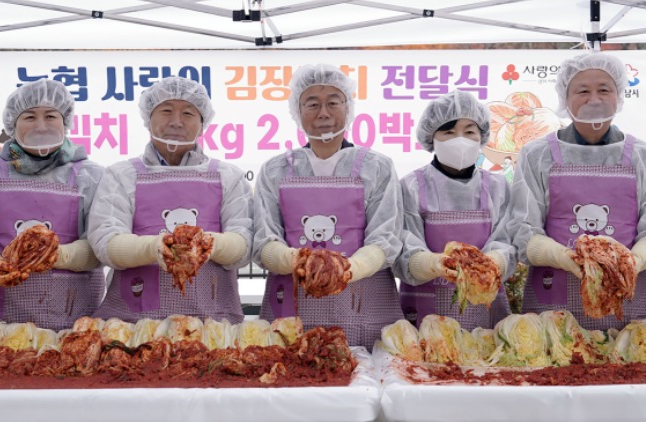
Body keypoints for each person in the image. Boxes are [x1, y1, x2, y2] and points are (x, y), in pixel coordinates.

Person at [508, 52, 646, 330]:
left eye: (604, 90)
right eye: (583, 91)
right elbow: (524, 230)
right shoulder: (537, 155)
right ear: (565, 97)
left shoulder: (644, 157)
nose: (594, 100)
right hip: (554, 305)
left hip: (630, 304)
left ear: (619, 95)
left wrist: (635, 260)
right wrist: (563, 257)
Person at [253, 63, 404, 348]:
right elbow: (264, 240)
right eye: (312, 104)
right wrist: (298, 262)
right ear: (298, 112)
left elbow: (386, 239)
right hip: (292, 309)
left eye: (333, 102)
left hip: (364, 306)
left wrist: (348, 269)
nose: (323, 113)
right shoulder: (275, 170)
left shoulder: (377, 167)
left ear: (349, 108)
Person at [88, 77, 252, 324]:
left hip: (213, 325)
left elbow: (243, 244)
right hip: (132, 324)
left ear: (202, 123)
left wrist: (204, 244)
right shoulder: (121, 175)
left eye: (188, 113)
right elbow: (106, 243)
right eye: (166, 111)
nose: (176, 121)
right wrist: (157, 248)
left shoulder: (228, 177)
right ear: (148, 118)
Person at [0, 79, 104, 331]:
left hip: (69, 319)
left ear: (65, 122)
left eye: (50, 116)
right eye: (29, 117)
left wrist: (57, 255)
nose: (41, 125)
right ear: (13, 123)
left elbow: (99, 246)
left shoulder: (90, 175)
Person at [395, 90, 516, 329]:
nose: (459, 140)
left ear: (481, 137)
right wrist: (432, 263)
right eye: (449, 132)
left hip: (485, 310)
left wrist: (490, 263)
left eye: (469, 131)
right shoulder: (410, 187)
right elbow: (404, 248)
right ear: (432, 137)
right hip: (424, 313)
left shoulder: (498, 187)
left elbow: (508, 242)